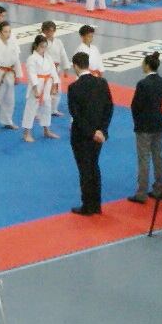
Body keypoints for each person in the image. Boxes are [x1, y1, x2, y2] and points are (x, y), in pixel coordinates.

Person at [67, 52, 114, 216]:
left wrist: (91, 132)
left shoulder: (74, 88)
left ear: (75, 66)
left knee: (85, 170)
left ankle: (87, 205)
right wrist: (102, 130)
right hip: (99, 136)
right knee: (94, 166)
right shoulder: (102, 83)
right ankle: (97, 204)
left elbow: (76, 115)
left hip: (82, 136)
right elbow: (109, 108)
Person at [128, 52, 162, 204]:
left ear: (147, 65)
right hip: (158, 123)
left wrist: (137, 122)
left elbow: (135, 105)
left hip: (144, 125)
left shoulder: (143, 84)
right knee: (158, 156)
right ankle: (159, 187)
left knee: (144, 158)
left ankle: (141, 192)